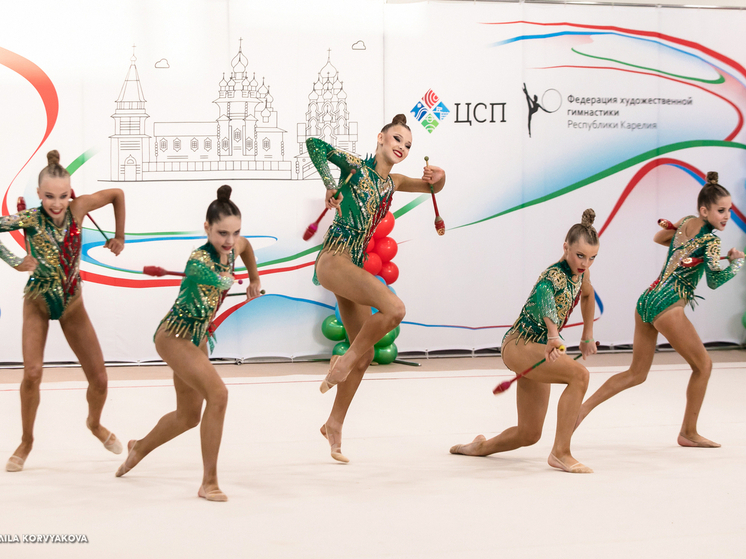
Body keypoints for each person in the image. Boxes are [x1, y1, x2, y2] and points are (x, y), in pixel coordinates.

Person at [306, 114, 446, 463]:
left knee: (366, 354)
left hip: (350, 268)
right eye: (396, 139)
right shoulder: (356, 168)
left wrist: (440, 177)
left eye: (408, 145)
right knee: (395, 309)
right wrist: (329, 184)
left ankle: (333, 424)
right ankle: (344, 360)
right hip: (334, 260)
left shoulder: (393, 182)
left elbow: (431, 188)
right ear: (380, 138)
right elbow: (315, 145)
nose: (402, 147)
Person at [115, 185, 261, 502]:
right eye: (222, 233)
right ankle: (209, 482)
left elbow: (246, 247)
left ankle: (138, 447)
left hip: (198, 337)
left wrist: (254, 279)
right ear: (207, 228)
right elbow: (212, 276)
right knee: (219, 394)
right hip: (175, 335)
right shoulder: (198, 260)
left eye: (235, 232)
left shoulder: (234, 246)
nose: (229, 240)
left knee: (188, 416)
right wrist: (225, 278)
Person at [576, 172, 744, 447]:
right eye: (721, 210)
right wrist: (736, 263)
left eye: (729, 210)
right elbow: (714, 281)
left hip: (647, 300)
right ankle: (688, 432)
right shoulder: (712, 241)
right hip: (668, 306)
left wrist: (685, 248)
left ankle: (581, 410)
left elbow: (660, 236)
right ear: (705, 211)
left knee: (636, 373)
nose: (727, 216)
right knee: (703, 365)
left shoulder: (687, 222)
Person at [0, 150, 126, 472]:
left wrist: (119, 236)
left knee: (100, 379)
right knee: (32, 373)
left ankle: (94, 424)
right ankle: (26, 441)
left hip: (72, 305)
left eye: (62, 196)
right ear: (39, 194)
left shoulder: (78, 208)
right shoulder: (30, 218)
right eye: (49, 197)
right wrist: (15, 261)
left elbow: (117, 194)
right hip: (38, 303)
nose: (56, 204)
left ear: (70, 193)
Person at [450, 209, 599, 473]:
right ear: (565, 247)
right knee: (580, 376)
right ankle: (561, 452)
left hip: (540, 348)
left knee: (529, 433)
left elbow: (587, 295)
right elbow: (544, 298)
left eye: (592, 258)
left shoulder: (582, 274)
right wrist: (553, 335)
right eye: (580, 255)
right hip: (520, 344)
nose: (585, 263)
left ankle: (478, 447)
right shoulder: (552, 276)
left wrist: (587, 334)